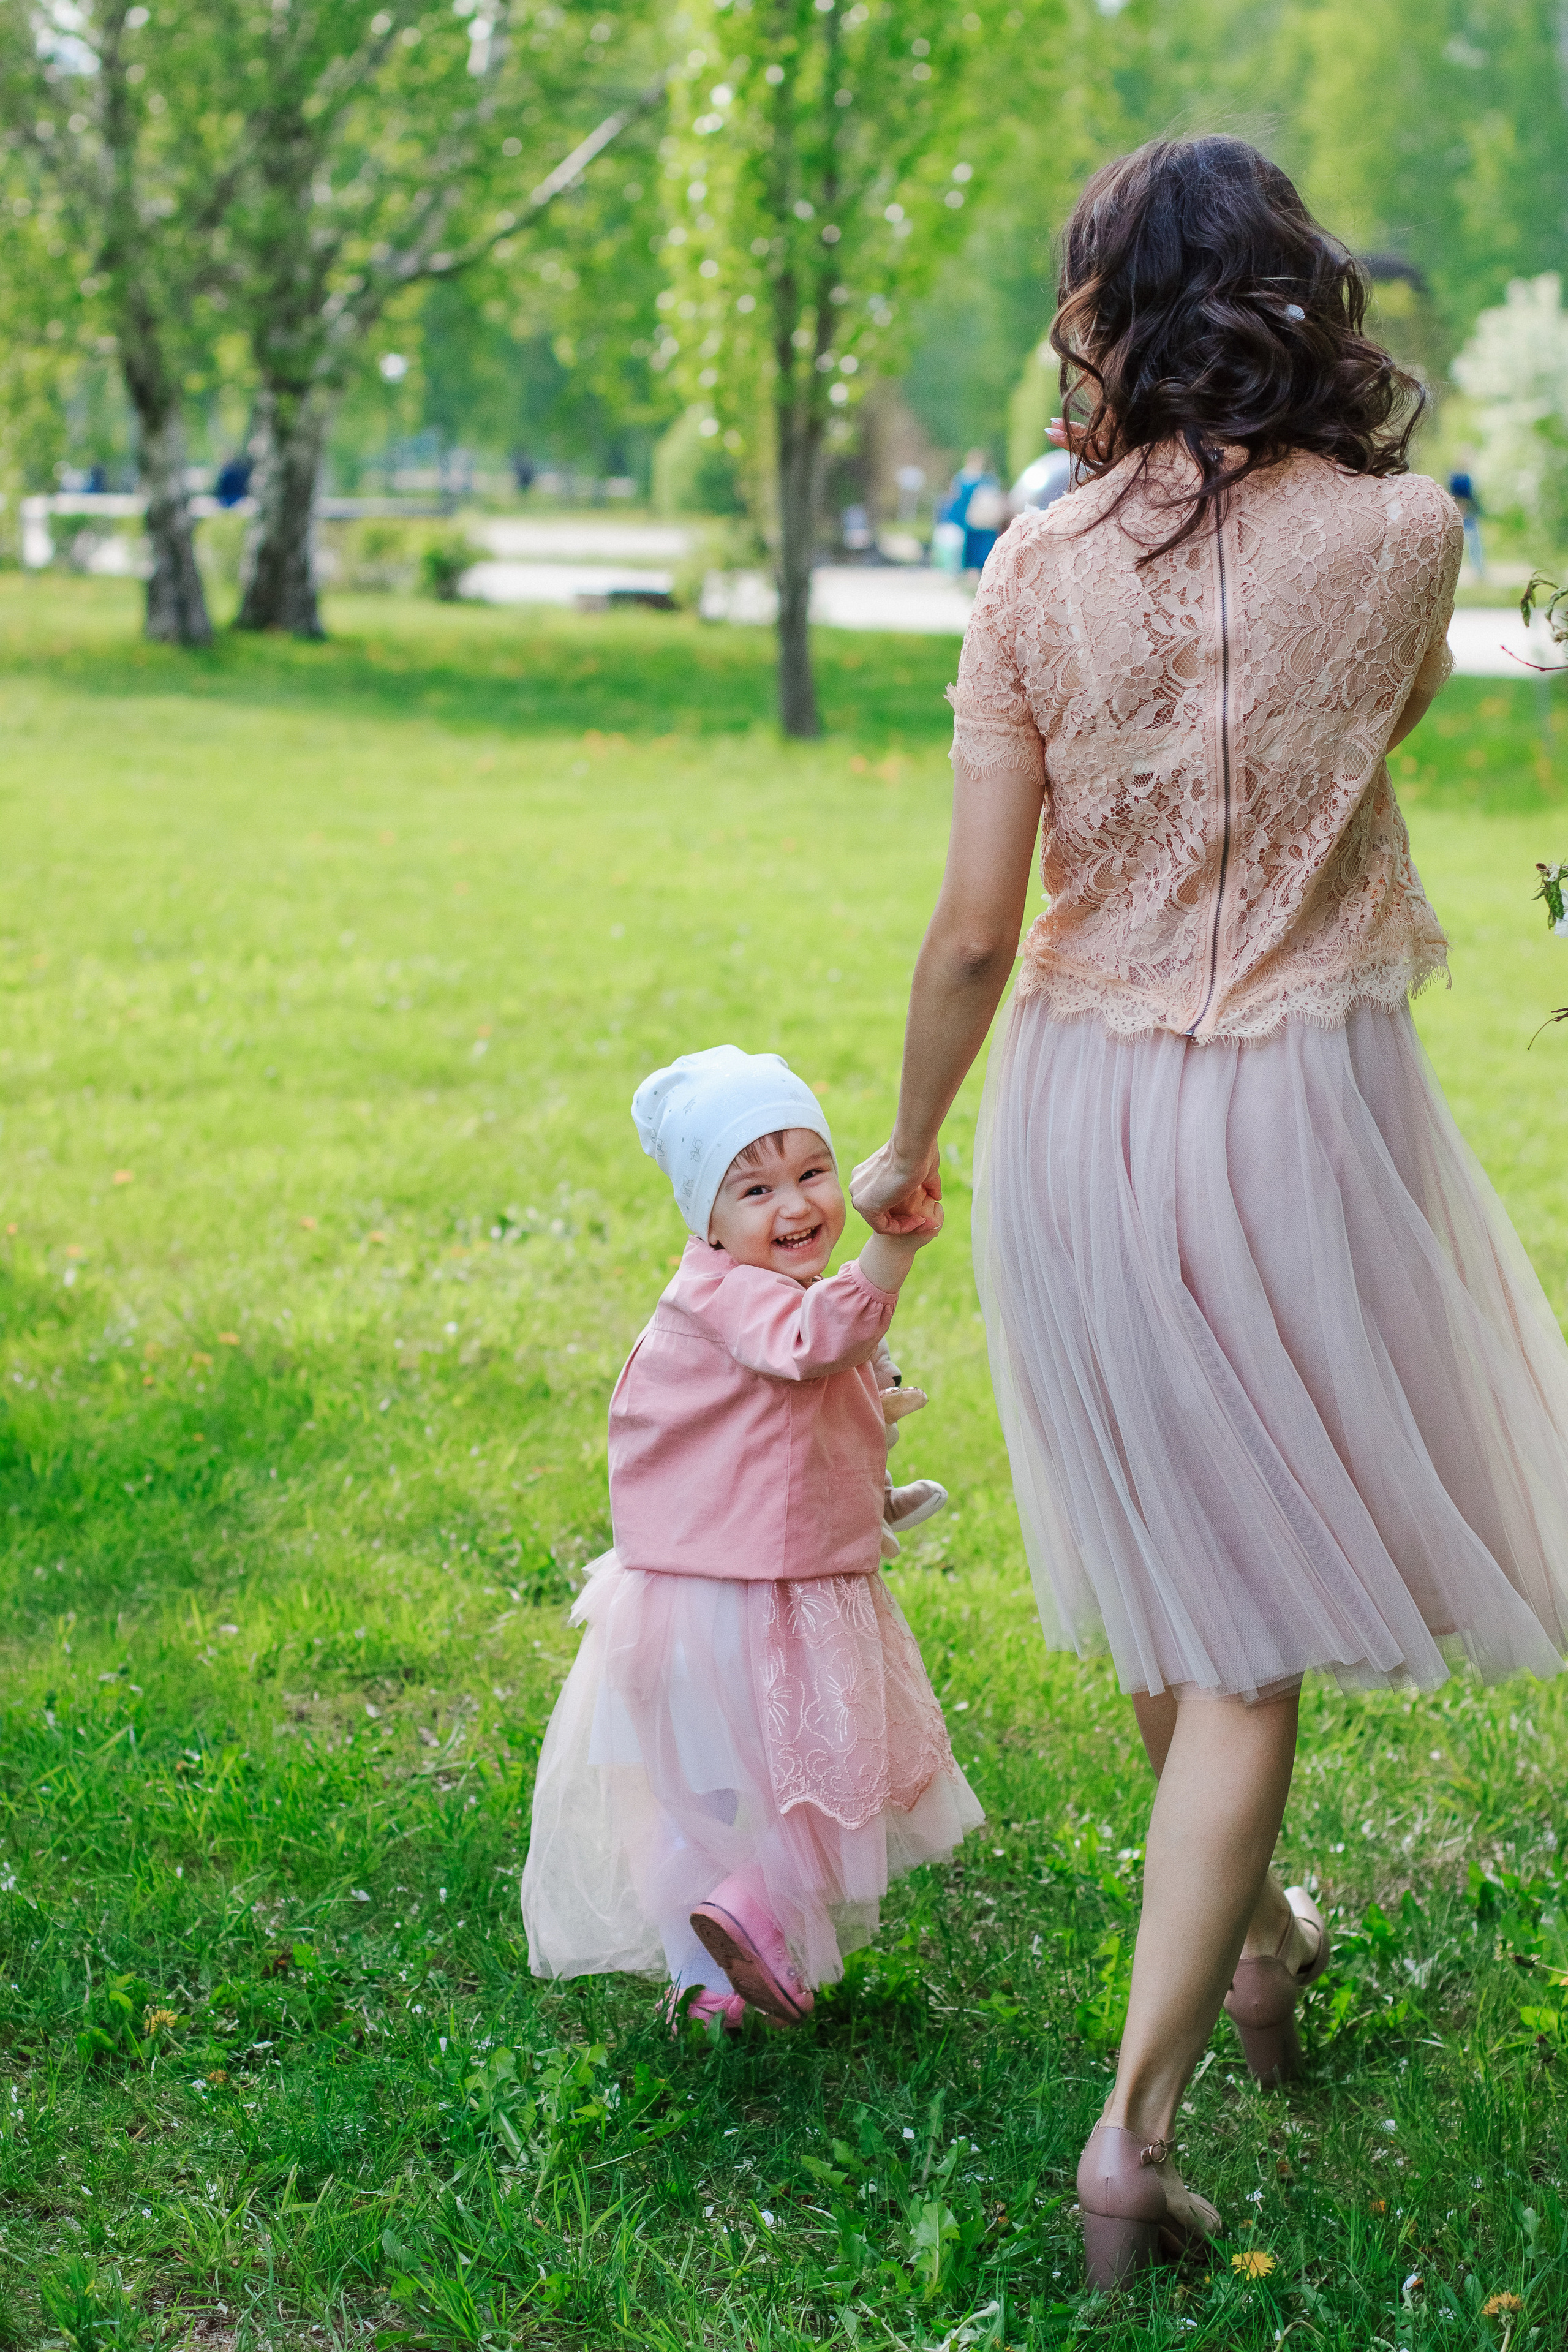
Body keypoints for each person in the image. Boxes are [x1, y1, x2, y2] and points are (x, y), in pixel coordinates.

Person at [850, 135, 1568, 2288]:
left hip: (1079, 1108)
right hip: (1295, 1106)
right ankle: (1133, 2130)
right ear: (1297, 291)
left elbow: (979, 933)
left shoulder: (1032, 574)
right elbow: (1370, 748)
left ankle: (1254, 1932)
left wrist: (905, 1146)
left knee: (1189, 1592)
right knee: (1233, 1638)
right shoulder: (1412, 536)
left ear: (1108, 307)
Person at [522, 1046, 981, 2032]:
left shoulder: (728, 1293)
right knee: (830, 1781)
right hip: (759, 1599)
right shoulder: (743, 1299)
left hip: (678, 1596)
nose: (797, 1204)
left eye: (813, 1172)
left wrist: (879, 1489)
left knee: (696, 1807)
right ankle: (755, 1913)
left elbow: (787, 1438)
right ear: (706, 1218)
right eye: (756, 1187)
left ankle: (711, 1987)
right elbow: (819, 1343)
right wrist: (891, 1246)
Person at [942, 448, 1007, 576]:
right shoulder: (986, 479)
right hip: (979, 522)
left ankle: (973, 572)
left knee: (975, 550)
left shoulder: (965, 479)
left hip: (975, 522)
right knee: (978, 549)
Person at [1449, 470, 1484, 578]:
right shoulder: (1454, 477)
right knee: (1453, 543)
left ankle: (1479, 571)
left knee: (1475, 543)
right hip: (1459, 512)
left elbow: (1474, 495)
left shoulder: (1469, 477)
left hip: (1469, 513)